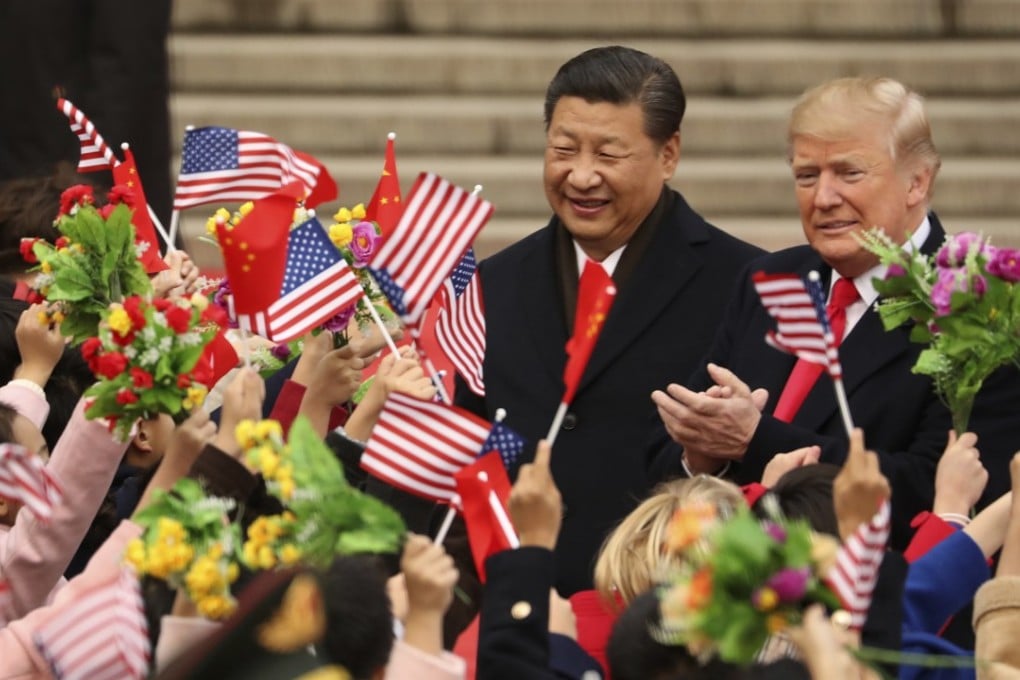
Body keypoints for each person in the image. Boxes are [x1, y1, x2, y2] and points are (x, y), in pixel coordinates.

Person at [652, 76, 1019, 547]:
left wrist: (754, 439)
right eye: (807, 175)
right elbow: (664, 459)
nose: (823, 198)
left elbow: (943, 492)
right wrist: (702, 454)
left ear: (917, 182)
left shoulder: (983, 308)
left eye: (849, 173)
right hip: (734, 587)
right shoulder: (769, 282)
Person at [450, 44, 763, 597]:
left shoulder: (744, 283)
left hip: (665, 610)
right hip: (508, 603)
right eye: (563, 149)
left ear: (668, 155)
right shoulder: (488, 285)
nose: (581, 176)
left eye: (609, 155)